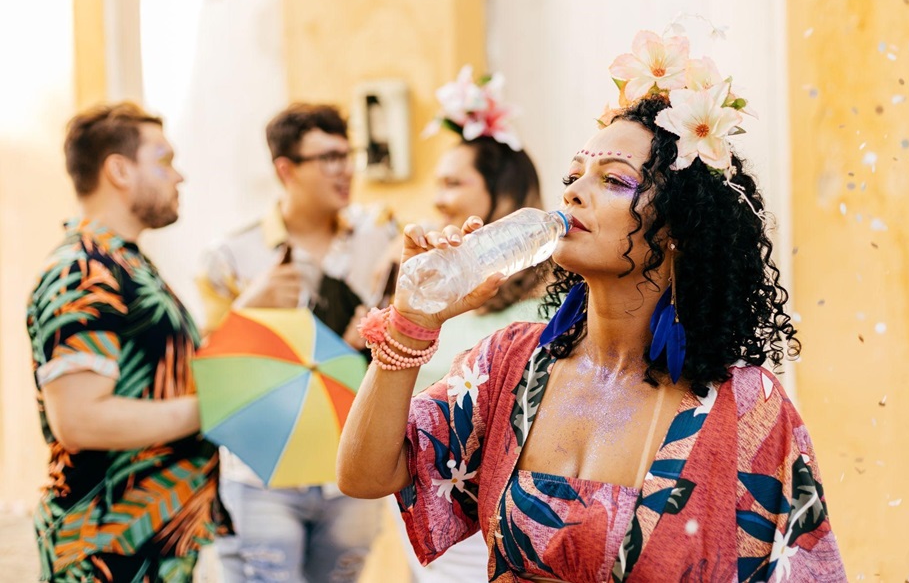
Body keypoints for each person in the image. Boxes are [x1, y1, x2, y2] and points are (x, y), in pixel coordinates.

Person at [337, 29, 847, 582]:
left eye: (614, 180)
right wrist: (412, 323)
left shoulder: (745, 407)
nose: (575, 192)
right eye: (574, 175)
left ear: (678, 226)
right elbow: (365, 475)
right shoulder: (510, 365)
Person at [26, 102, 228, 581]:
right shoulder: (84, 270)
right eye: (163, 159)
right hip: (104, 550)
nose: (178, 176)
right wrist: (218, 406)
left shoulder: (127, 265)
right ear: (118, 169)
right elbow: (80, 419)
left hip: (150, 543)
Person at [197, 102, 396, 582]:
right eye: (328, 157)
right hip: (263, 472)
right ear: (286, 169)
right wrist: (251, 304)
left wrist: (369, 334)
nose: (344, 168)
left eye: (348, 154)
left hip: (351, 466)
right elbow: (210, 370)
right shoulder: (232, 254)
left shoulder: (380, 239)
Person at [388, 67, 550, 582]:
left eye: (454, 183)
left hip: (506, 517)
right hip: (426, 508)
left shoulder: (552, 300)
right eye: (438, 182)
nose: (438, 199)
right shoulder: (437, 290)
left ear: (502, 195)